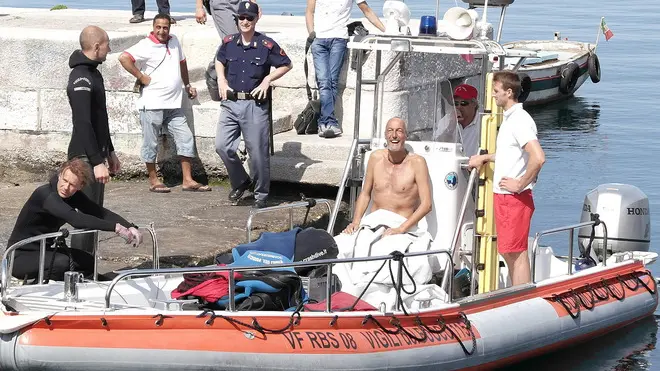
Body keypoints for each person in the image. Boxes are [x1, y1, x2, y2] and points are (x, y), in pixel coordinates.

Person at [468, 71, 546, 286]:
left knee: (515, 252)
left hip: (514, 198)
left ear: (509, 92)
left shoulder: (520, 120)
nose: (493, 96)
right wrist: (485, 157)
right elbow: (510, 154)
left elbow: (538, 157)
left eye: (496, 91)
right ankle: (518, 293)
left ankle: (522, 296)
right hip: (504, 196)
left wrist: (520, 183)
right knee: (508, 250)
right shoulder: (510, 120)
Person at [7, 159, 143, 282]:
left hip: (44, 251)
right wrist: (116, 228)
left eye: (72, 184)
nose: (66, 187)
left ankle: (97, 285)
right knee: (61, 263)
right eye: (65, 181)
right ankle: (35, 287)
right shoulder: (46, 195)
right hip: (19, 257)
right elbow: (76, 219)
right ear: (60, 175)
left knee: (87, 261)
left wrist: (130, 226)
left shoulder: (73, 195)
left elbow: (98, 212)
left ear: (80, 186)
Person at [119, 14, 212, 193]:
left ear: (170, 28)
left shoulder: (174, 41)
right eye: (158, 27)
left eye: (165, 27)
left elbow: (182, 63)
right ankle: (154, 180)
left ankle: (187, 180)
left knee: (185, 138)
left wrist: (187, 85)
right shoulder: (146, 44)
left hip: (174, 104)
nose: (162, 31)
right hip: (152, 104)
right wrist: (140, 76)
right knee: (150, 143)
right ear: (153, 28)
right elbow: (124, 58)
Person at [215, 1, 292, 209]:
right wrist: (221, 80)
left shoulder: (266, 44)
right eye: (242, 18)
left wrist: (268, 80)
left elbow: (287, 64)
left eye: (249, 18)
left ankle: (260, 195)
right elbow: (219, 60)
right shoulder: (229, 42)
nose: (245, 22)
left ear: (256, 19)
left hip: (254, 105)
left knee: (257, 153)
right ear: (237, 19)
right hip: (231, 103)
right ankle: (241, 181)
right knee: (222, 146)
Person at [67, 25, 118, 255]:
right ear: (97, 46)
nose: (109, 49)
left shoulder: (94, 73)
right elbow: (83, 123)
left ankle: (87, 268)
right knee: (86, 216)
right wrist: (96, 162)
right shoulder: (81, 77)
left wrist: (110, 151)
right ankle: (79, 270)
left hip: (96, 154)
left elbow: (100, 118)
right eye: (107, 44)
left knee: (94, 213)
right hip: (83, 157)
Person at [305, 0, 385, 138]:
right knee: (324, 82)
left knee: (332, 82)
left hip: (339, 39)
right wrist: (312, 33)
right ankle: (328, 122)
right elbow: (309, 12)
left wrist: (387, 30)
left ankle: (326, 123)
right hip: (319, 40)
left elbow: (367, 10)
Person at [343, 117, 432, 236]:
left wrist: (401, 229)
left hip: (401, 225)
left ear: (406, 135)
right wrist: (355, 222)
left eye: (399, 131)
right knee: (341, 246)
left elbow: (427, 204)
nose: (394, 135)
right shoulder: (375, 158)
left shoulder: (417, 163)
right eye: (390, 131)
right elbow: (365, 194)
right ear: (385, 135)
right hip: (373, 224)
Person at [195, 0, 260, 39]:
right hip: (220, 4)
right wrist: (199, 7)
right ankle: (218, 61)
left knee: (243, 37)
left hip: (238, 2)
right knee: (232, 38)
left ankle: (218, 61)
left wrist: (253, 3)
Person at [453, 84, 480, 157]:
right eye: (456, 103)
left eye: (463, 103)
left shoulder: (483, 123)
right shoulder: (448, 120)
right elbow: (437, 142)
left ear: (474, 104)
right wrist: (451, 124)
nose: (459, 107)